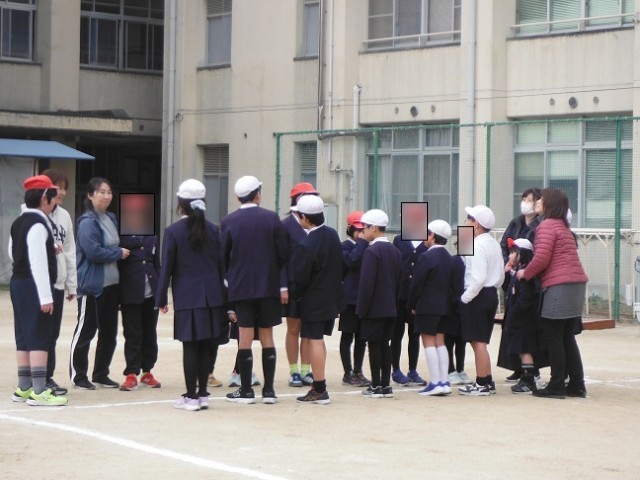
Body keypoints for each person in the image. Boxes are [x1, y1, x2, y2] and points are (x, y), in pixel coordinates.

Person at [156, 179, 228, 411]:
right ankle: (203, 394)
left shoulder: (173, 231)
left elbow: (166, 268)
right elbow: (222, 266)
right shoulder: (214, 229)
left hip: (187, 297)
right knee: (207, 345)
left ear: (181, 204)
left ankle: (191, 397)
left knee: (190, 346)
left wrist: (161, 298)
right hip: (213, 296)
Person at [221, 176, 288, 404]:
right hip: (268, 286)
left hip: (241, 287)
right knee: (267, 336)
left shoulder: (229, 221)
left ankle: (246, 390)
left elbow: (223, 257)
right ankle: (268, 391)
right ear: (257, 194)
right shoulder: (271, 218)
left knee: (245, 337)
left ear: (237, 197)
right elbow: (283, 253)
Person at [517, 188, 588, 399]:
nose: (537, 202)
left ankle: (557, 385)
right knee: (566, 335)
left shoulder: (547, 225)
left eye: (541, 199)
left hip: (559, 285)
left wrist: (525, 273)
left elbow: (541, 258)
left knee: (553, 334)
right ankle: (576, 384)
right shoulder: (563, 226)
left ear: (550, 203)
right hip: (574, 284)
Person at [9, 175, 68, 406]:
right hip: (34, 285)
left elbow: (14, 252)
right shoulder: (38, 223)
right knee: (39, 336)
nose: (56, 201)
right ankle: (40, 390)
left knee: (24, 336)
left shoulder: (19, 221)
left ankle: (24, 387)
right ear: (45, 198)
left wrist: (48, 248)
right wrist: (45, 296)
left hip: (18, 283)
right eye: (53, 196)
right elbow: (38, 264)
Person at [70, 177, 129, 390]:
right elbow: (93, 252)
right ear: (90, 195)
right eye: (101, 192)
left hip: (112, 285)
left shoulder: (111, 218)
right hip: (92, 286)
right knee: (86, 330)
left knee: (109, 333)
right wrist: (118, 253)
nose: (106, 196)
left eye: (109, 192)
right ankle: (78, 376)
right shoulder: (87, 221)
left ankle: (101, 373)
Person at [289, 195, 344, 404]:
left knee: (315, 341)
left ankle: (319, 388)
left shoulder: (307, 244)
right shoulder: (332, 234)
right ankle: (318, 386)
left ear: (305, 217)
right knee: (318, 340)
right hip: (331, 297)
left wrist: (295, 294)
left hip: (313, 300)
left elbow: (300, 278)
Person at [457, 205, 505, 396]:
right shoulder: (493, 243)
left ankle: (482, 383)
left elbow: (477, 279)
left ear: (476, 224)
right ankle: (487, 380)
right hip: (490, 294)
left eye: (469, 218)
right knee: (480, 340)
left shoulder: (477, 245)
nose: (466, 221)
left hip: (478, 295)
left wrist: (464, 299)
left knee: (478, 342)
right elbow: (500, 276)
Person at [357, 209, 402, 398]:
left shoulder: (372, 251)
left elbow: (366, 284)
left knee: (374, 345)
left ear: (374, 228)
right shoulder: (395, 251)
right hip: (391, 306)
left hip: (374, 307)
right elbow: (399, 282)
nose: (362, 231)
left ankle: (375, 385)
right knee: (385, 344)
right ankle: (386, 385)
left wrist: (362, 308)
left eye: (365, 227)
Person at [498, 188, 542, 382]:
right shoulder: (515, 222)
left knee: (527, 328)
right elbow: (504, 246)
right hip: (512, 278)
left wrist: (524, 267)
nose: (525, 202)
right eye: (524, 198)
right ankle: (516, 366)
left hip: (529, 279)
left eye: (530, 200)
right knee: (512, 325)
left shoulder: (540, 225)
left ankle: (531, 369)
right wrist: (508, 263)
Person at [40, 169, 77, 396]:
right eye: (58, 187)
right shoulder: (35, 215)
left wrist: (71, 284)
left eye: (64, 188)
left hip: (58, 284)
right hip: (38, 285)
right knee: (38, 333)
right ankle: (34, 378)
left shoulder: (64, 216)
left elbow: (70, 251)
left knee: (52, 334)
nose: (62, 192)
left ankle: (47, 377)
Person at [408, 220, 454, 396]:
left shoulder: (426, 257)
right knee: (440, 342)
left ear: (432, 235)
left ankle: (435, 382)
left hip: (427, 306)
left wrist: (412, 304)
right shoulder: (449, 257)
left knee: (428, 342)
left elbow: (416, 284)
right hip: (445, 306)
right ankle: (444, 381)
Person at [282, 182, 318, 387]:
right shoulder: (285, 226)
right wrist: (282, 287)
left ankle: (306, 370)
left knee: (309, 329)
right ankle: (294, 371)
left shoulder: (315, 225)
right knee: (294, 327)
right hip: (293, 285)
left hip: (312, 286)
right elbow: (279, 259)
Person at [118, 226, 162, 391]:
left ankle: (147, 371)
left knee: (150, 334)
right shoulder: (123, 235)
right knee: (132, 334)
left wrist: (161, 295)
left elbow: (157, 264)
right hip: (130, 293)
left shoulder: (153, 236)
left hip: (151, 293)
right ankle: (131, 373)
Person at [391, 211, 428, 386]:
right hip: (400, 295)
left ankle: (412, 370)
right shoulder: (398, 240)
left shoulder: (427, 242)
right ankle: (395, 370)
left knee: (414, 335)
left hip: (417, 297)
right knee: (396, 334)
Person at [503, 238, 542, 395]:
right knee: (521, 349)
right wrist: (508, 273)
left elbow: (525, 298)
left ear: (522, 254)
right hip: (520, 318)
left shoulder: (525, 273)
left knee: (524, 349)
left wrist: (514, 314)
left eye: (514, 252)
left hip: (524, 319)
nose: (510, 256)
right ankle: (527, 379)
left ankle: (528, 380)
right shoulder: (518, 270)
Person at [339, 211, 370, 387]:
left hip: (363, 298)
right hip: (348, 299)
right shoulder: (344, 246)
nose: (360, 233)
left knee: (361, 337)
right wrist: (362, 243)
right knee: (347, 335)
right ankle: (347, 372)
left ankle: (358, 371)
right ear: (350, 228)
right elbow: (351, 261)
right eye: (358, 229)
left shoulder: (367, 247)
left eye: (363, 229)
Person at [445, 247, 472, 386]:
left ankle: (460, 369)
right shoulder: (453, 260)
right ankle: (450, 369)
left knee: (462, 340)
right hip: (452, 306)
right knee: (449, 340)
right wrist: (455, 300)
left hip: (466, 306)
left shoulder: (473, 260)